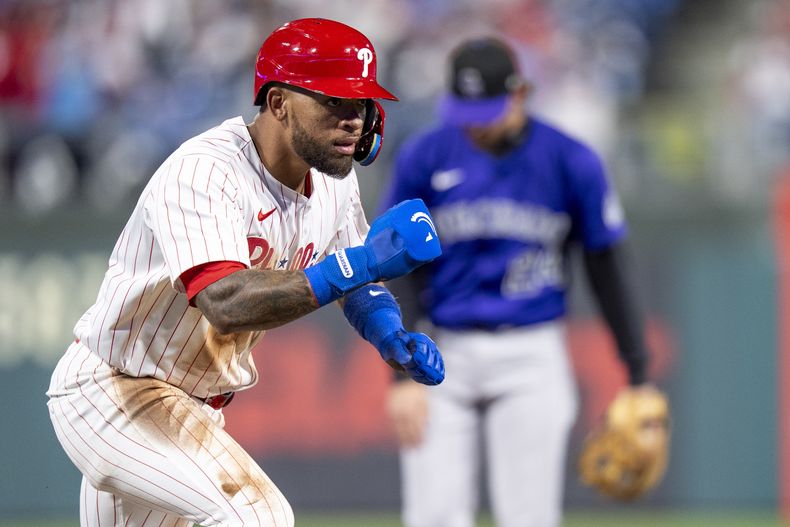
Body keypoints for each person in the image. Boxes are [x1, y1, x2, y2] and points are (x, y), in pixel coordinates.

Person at [46, 18, 445, 527]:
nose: (354, 119)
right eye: (334, 101)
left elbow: (358, 283)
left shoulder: (332, 181)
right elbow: (226, 303)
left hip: (190, 403)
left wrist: (389, 334)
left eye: (362, 103)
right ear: (278, 103)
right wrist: (363, 262)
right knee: (258, 516)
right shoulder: (206, 172)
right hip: (115, 390)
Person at [382, 37, 652, 527]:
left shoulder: (570, 160)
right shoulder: (424, 155)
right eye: (466, 110)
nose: (476, 124)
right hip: (442, 349)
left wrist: (638, 373)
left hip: (532, 351)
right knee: (433, 516)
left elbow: (606, 267)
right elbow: (393, 266)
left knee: (529, 518)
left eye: (487, 109)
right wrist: (399, 371)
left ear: (521, 93)